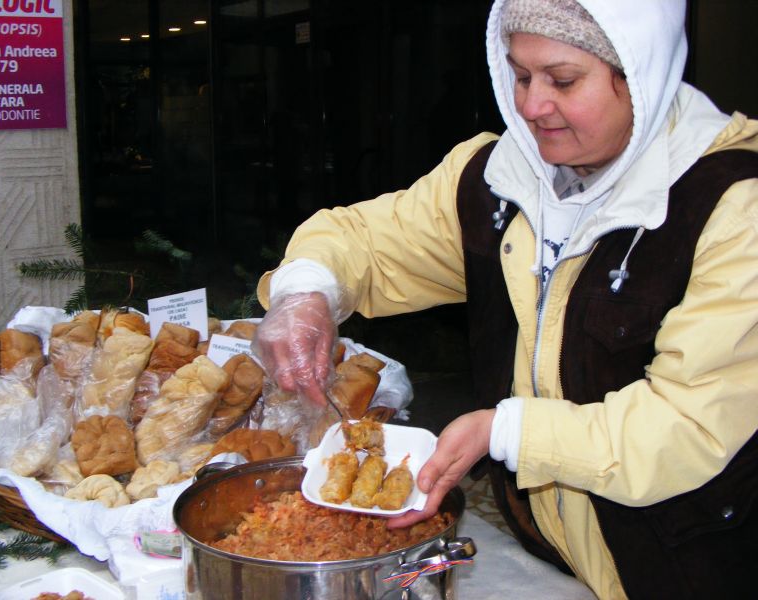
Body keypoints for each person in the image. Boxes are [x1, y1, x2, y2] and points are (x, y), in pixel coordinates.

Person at [250, 1, 758, 598]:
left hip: (681, 566)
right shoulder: (499, 178)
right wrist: (307, 291)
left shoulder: (730, 209)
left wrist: (506, 433)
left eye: (563, 81)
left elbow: (686, 426)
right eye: (519, 75)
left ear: (642, 74)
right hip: (550, 554)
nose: (531, 105)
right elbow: (366, 241)